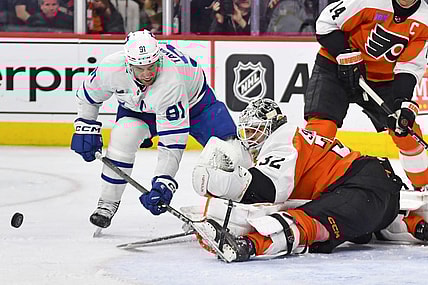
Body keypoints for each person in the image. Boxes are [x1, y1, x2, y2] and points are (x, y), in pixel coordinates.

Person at [191, 98, 427, 262]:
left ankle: (250, 246)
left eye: (256, 131)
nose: (251, 140)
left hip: (360, 187)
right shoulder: (296, 139)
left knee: (304, 222)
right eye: (247, 133)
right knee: (355, 220)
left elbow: (266, 191)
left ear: (272, 126)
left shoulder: (283, 138)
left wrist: (217, 182)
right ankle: (415, 225)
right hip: (375, 186)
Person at [71, 30, 250, 229]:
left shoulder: (170, 82)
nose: (147, 74)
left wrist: (164, 182)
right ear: (128, 65)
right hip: (139, 109)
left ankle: (246, 205)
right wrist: (85, 127)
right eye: (140, 69)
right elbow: (87, 97)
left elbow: (172, 142)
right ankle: (107, 203)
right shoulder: (111, 68)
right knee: (124, 134)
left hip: (198, 107)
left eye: (152, 67)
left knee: (233, 153)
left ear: (159, 60)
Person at [303, 0, 428, 190]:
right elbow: (325, 23)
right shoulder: (368, 1)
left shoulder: (425, 20)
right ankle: (304, 184)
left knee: (405, 131)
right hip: (336, 66)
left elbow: (409, 67)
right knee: (320, 129)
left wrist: (402, 101)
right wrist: (344, 53)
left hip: (383, 80)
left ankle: (423, 190)